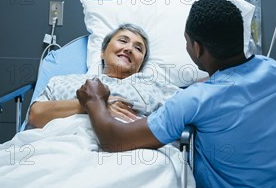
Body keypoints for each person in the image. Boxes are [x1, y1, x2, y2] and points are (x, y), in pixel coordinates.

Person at [76, 0, 276, 188]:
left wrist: (95, 100)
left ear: (197, 48)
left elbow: (113, 139)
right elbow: (227, 85)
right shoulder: (273, 71)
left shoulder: (195, 101)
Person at [28, 23, 177, 128]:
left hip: (129, 151)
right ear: (102, 51)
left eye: (138, 48)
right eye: (122, 41)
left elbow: (193, 100)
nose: (129, 48)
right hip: (61, 147)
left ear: (141, 64)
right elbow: (35, 115)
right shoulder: (62, 81)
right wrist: (93, 105)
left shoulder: (151, 86)